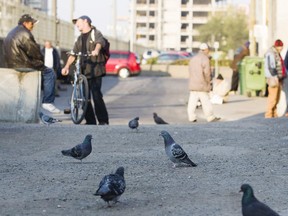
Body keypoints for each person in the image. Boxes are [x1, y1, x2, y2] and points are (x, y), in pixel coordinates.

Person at [3, 14, 60, 114]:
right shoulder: (25, 33)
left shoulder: (12, 32)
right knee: (49, 72)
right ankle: (48, 102)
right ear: (25, 23)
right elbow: (34, 51)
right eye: (31, 23)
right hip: (23, 64)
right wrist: (41, 61)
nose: (33, 26)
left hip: (11, 64)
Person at [61, 15, 109, 125]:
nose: (76, 24)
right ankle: (90, 121)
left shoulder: (95, 32)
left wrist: (96, 50)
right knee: (84, 98)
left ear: (86, 21)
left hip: (95, 69)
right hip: (84, 70)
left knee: (96, 95)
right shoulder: (79, 38)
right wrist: (67, 66)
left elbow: (100, 42)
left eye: (78, 22)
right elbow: (73, 53)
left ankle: (103, 120)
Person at [187, 43, 220, 123]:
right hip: (202, 83)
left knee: (192, 101)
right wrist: (209, 82)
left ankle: (191, 117)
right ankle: (210, 117)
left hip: (193, 83)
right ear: (206, 50)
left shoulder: (193, 58)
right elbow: (207, 73)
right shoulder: (205, 59)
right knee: (205, 101)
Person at [264, 39, 286, 118]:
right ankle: (269, 114)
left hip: (277, 78)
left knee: (277, 97)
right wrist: (275, 77)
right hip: (273, 78)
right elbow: (271, 67)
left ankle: (274, 113)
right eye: (281, 47)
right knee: (273, 97)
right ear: (277, 46)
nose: (282, 48)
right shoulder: (271, 53)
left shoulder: (276, 53)